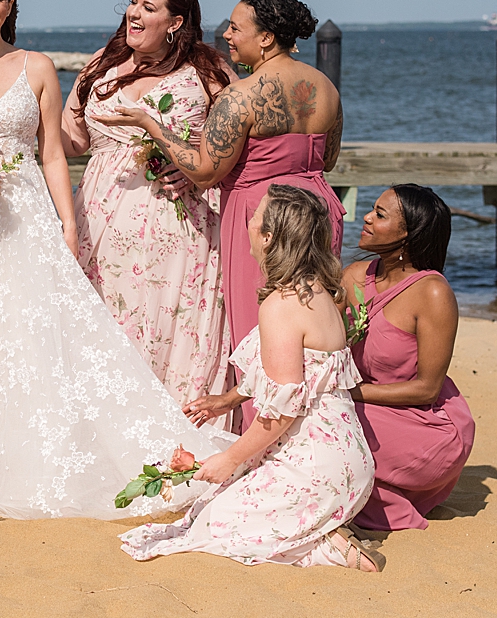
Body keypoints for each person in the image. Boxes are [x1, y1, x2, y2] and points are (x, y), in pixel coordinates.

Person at [0, 0, 230, 519]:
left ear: (10, 7)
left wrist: (68, 225)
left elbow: (53, 151)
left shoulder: (39, 67)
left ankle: (33, 453)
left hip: (23, 218)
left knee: (32, 334)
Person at [93, 0, 344, 430]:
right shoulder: (325, 87)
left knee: (261, 328)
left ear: (265, 38)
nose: (226, 34)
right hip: (318, 206)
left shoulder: (242, 95)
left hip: (262, 214)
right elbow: (330, 158)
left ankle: (262, 438)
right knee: (315, 321)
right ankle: (320, 430)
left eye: (236, 27)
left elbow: (206, 172)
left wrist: (151, 124)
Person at [120, 185, 379, 570]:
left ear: (269, 237)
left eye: (256, 216)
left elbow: (283, 413)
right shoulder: (319, 292)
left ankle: (324, 546)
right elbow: (298, 376)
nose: (249, 221)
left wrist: (230, 458)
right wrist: (227, 401)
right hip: (348, 458)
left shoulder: (281, 306)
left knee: (212, 524)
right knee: (208, 507)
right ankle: (317, 525)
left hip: (317, 463)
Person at [62, 0, 235, 408]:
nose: (134, 13)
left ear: (175, 22)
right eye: (134, 2)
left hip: (175, 228)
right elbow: (73, 139)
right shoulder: (103, 61)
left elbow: (237, 146)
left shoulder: (207, 71)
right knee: (101, 328)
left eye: (148, 7)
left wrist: (196, 169)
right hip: (98, 222)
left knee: (162, 328)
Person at [341, 184, 475, 531]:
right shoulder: (354, 276)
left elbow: (427, 390)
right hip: (368, 410)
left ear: (408, 234)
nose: (366, 218)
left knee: (328, 417)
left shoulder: (432, 293)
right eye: (372, 209)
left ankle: (392, 509)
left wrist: (348, 394)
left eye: (380, 215)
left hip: (426, 425)